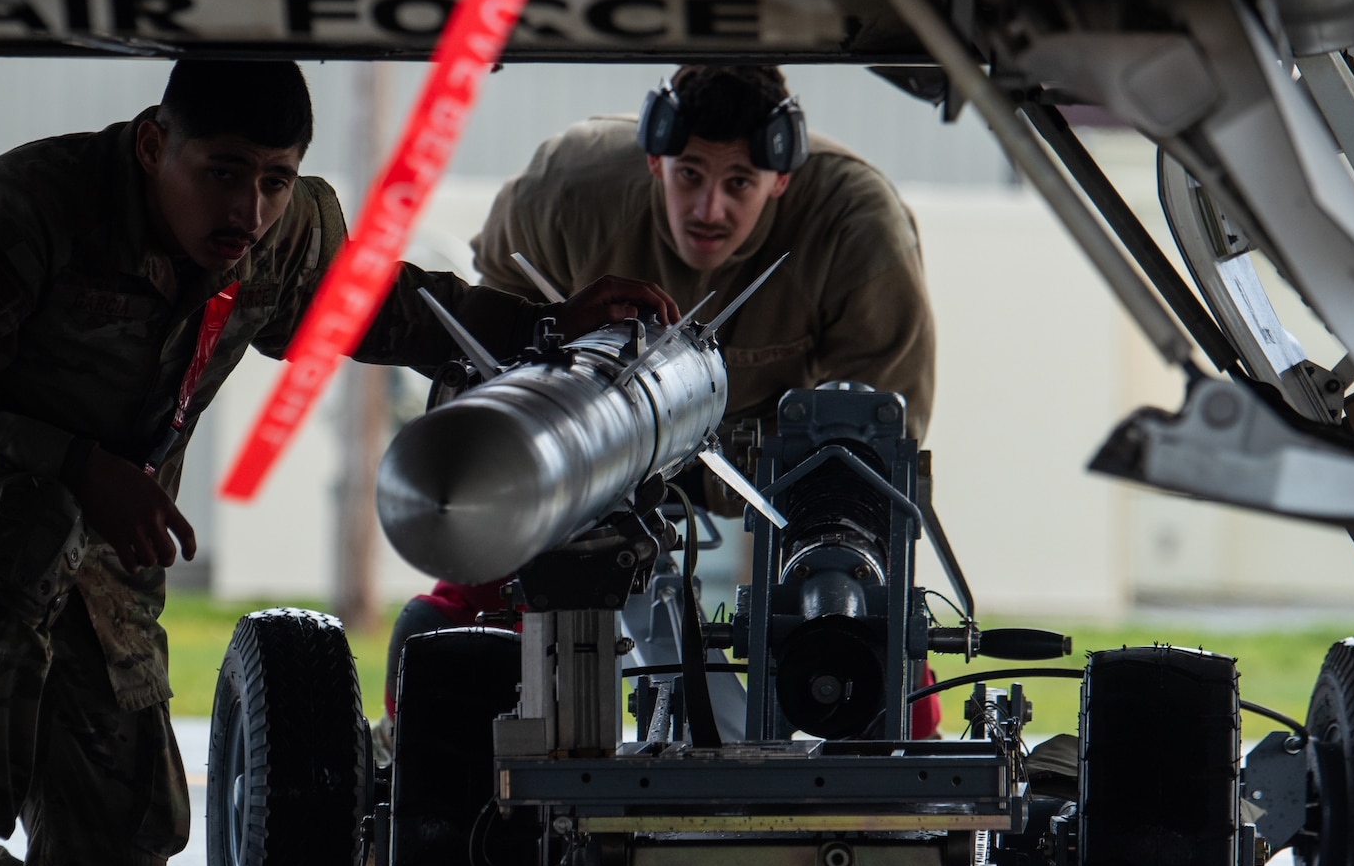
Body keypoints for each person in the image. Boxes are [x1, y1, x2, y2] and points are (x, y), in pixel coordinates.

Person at [0, 59, 674, 866]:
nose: (247, 211)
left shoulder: (286, 235)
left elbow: (390, 309)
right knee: (27, 519)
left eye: (273, 180)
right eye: (221, 172)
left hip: (105, 563)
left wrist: (545, 327)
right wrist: (75, 464)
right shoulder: (28, 213)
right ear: (153, 146)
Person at [386, 63, 940, 748]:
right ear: (654, 159)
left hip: (773, 453)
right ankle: (417, 751)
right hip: (596, 429)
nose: (710, 209)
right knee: (466, 602)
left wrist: (825, 561)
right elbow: (495, 341)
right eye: (689, 175)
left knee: (862, 627)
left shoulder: (856, 228)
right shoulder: (568, 189)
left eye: (739, 183)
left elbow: (878, 447)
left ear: (782, 177)